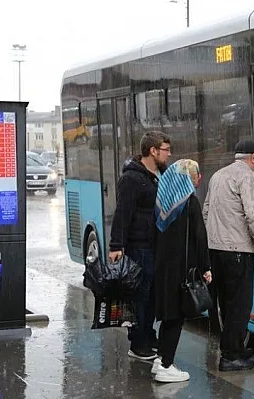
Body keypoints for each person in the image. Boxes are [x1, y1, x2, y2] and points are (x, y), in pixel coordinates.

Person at [203, 139, 254, 372]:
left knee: (225, 303)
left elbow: (206, 211)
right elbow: (253, 214)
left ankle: (236, 349)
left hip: (216, 250)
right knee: (239, 305)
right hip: (238, 251)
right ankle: (231, 356)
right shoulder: (248, 177)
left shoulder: (218, 176)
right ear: (253, 158)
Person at [108, 131, 171, 361]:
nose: (169, 154)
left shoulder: (161, 175)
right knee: (140, 295)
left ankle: (148, 334)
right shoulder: (132, 179)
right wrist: (117, 245)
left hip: (157, 246)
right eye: (166, 149)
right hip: (139, 246)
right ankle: (137, 343)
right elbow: (122, 213)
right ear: (153, 151)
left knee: (153, 294)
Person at [149, 159, 212, 383]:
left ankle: (160, 359)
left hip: (162, 267)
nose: (198, 180)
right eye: (195, 176)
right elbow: (199, 237)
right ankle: (166, 364)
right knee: (176, 317)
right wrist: (206, 267)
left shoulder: (162, 203)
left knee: (167, 315)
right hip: (182, 270)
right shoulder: (189, 202)